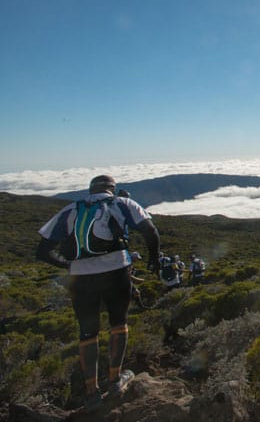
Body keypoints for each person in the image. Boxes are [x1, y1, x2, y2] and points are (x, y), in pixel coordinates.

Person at [35, 175, 161, 412]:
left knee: (87, 332)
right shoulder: (121, 204)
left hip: (81, 278)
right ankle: (115, 381)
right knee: (118, 323)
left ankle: (91, 393)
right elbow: (150, 230)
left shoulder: (72, 209)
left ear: (90, 190)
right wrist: (153, 258)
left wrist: (69, 266)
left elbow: (42, 252)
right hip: (116, 271)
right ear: (111, 189)